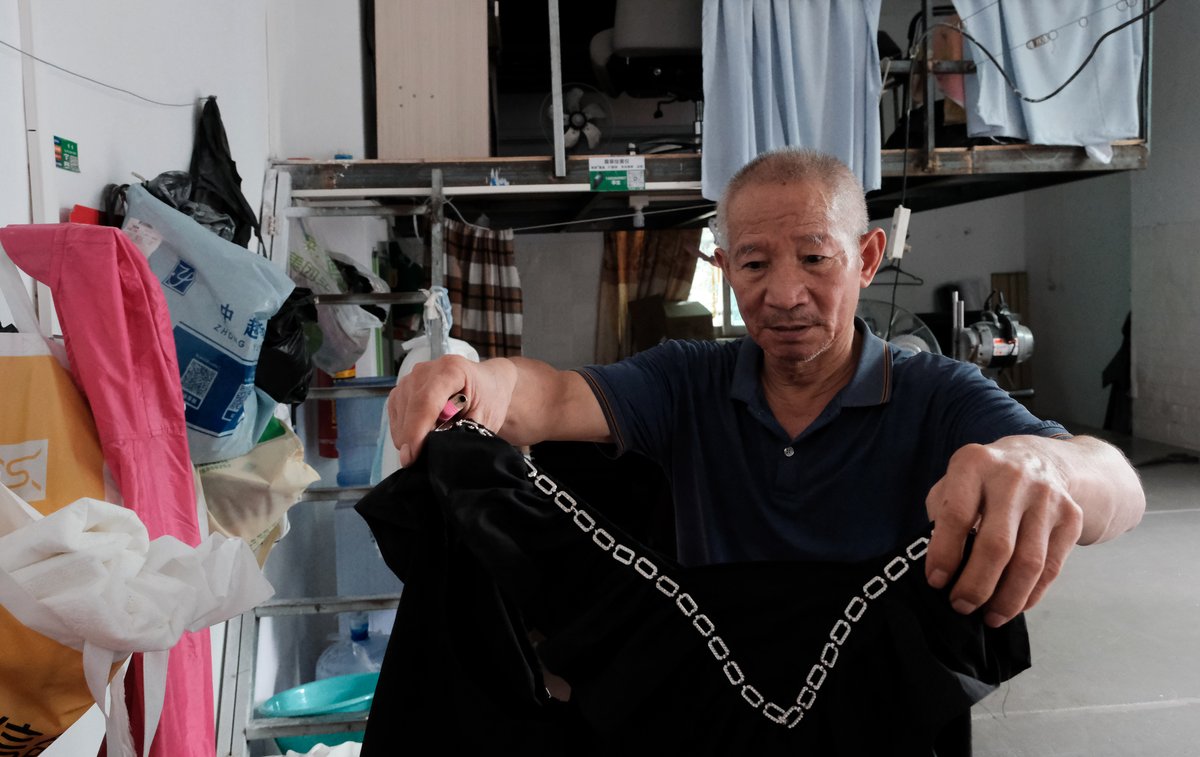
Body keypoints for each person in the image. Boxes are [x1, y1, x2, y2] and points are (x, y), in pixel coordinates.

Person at [387, 147, 1145, 630]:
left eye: (816, 258)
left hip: (874, 707)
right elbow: (549, 398)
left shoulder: (932, 393)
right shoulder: (686, 380)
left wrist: (1047, 467)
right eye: (754, 265)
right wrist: (476, 377)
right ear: (723, 270)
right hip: (713, 698)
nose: (785, 294)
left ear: (868, 256)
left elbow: (1119, 487)